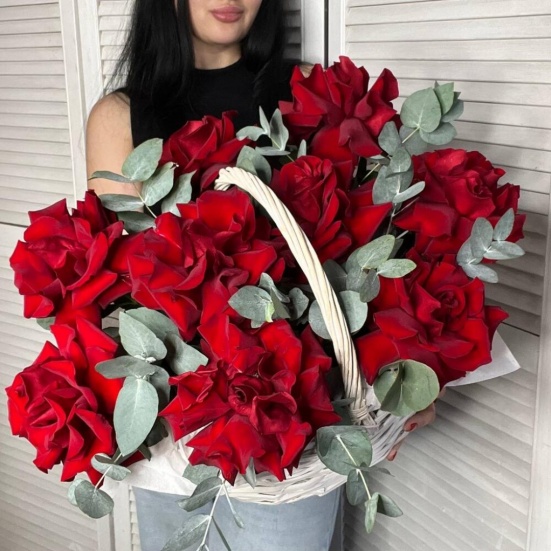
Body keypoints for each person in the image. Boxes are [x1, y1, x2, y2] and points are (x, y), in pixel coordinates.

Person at [85, 1, 441, 549]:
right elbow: (120, 294)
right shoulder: (120, 117)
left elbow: (384, 246)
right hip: (177, 433)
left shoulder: (310, 91)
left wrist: (413, 374)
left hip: (296, 426)